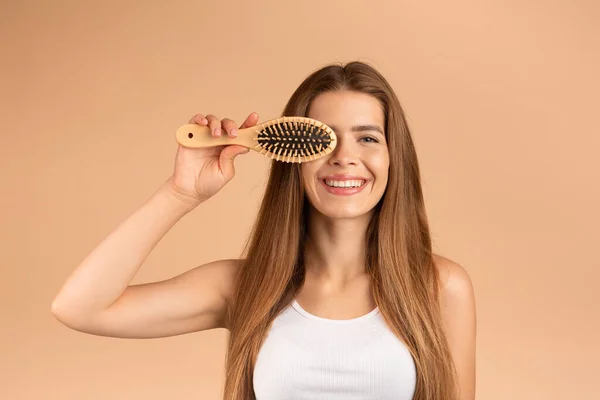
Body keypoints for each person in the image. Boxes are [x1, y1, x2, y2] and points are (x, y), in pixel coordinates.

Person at [51, 61, 476, 400]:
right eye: (324, 140)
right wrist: (181, 193)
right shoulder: (245, 286)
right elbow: (79, 307)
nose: (345, 157)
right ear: (292, 156)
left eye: (367, 139)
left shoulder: (441, 287)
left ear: (393, 157)